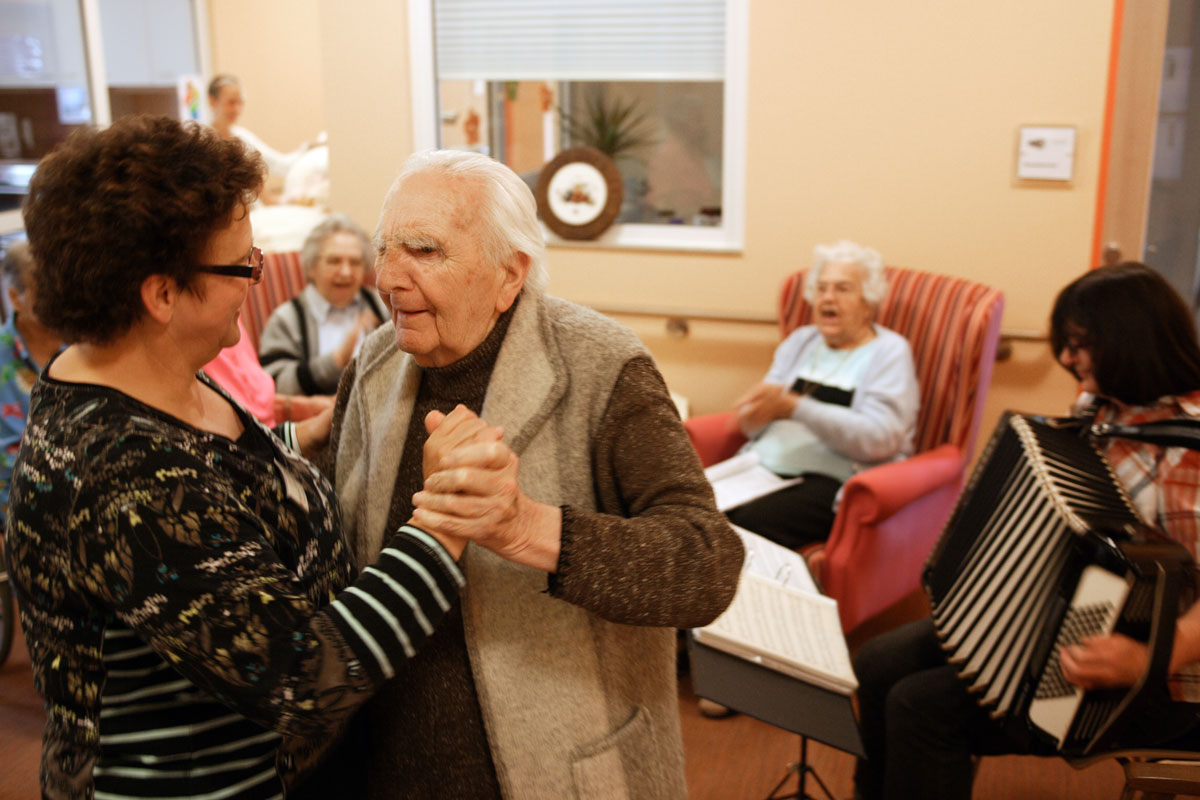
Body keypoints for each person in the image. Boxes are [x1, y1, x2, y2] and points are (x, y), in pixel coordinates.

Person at [2, 114, 480, 799]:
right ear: (161, 293)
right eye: (241, 266)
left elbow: (199, 480)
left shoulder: (143, 376)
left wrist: (296, 443)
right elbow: (303, 675)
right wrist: (442, 528)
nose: (257, 280)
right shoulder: (118, 477)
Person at [322, 148, 744, 798]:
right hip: (386, 769)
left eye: (425, 251)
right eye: (386, 248)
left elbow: (706, 566)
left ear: (508, 275)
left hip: (559, 773)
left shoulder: (605, 368)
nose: (387, 277)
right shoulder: (376, 364)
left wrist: (527, 529)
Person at [852, 262, 1200, 800]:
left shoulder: (1191, 453)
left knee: (921, 708)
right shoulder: (1099, 409)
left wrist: (1150, 659)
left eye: (1081, 345)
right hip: (1057, 622)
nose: (1065, 358)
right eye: (1066, 343)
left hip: (1163, 684)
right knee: (878, 664)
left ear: (1131, 342)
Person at [724, 239, 920, 550]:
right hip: (761, 469)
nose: (828, 298)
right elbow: (756, 421)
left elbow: (881, 439)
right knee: (693, 511)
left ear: (868, 303)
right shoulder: (801, 341)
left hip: (831, 480)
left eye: (843, 289)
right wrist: (750, 416)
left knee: (748, 526)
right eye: (822, 288)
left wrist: (796, 408)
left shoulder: (889, 351)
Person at [258, 214, 388, 395]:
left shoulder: (382, 305)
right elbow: (273, 383)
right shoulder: (288, 319)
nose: (346, 272)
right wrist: (336, 360)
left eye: (355, 262)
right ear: (311, 267)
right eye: (334, 261)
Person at [0, 240, 62, 524]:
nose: (57, 298)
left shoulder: (87, 344)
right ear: (15, 298)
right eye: (43, 289)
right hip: (19, 525)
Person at [208, 74, 318, 179]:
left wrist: (308, 148)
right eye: (231, 102)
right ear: (212, 101)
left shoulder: (242, 137)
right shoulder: (203, 143)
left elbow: (279, 165)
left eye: (240, 103)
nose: (237, 110)